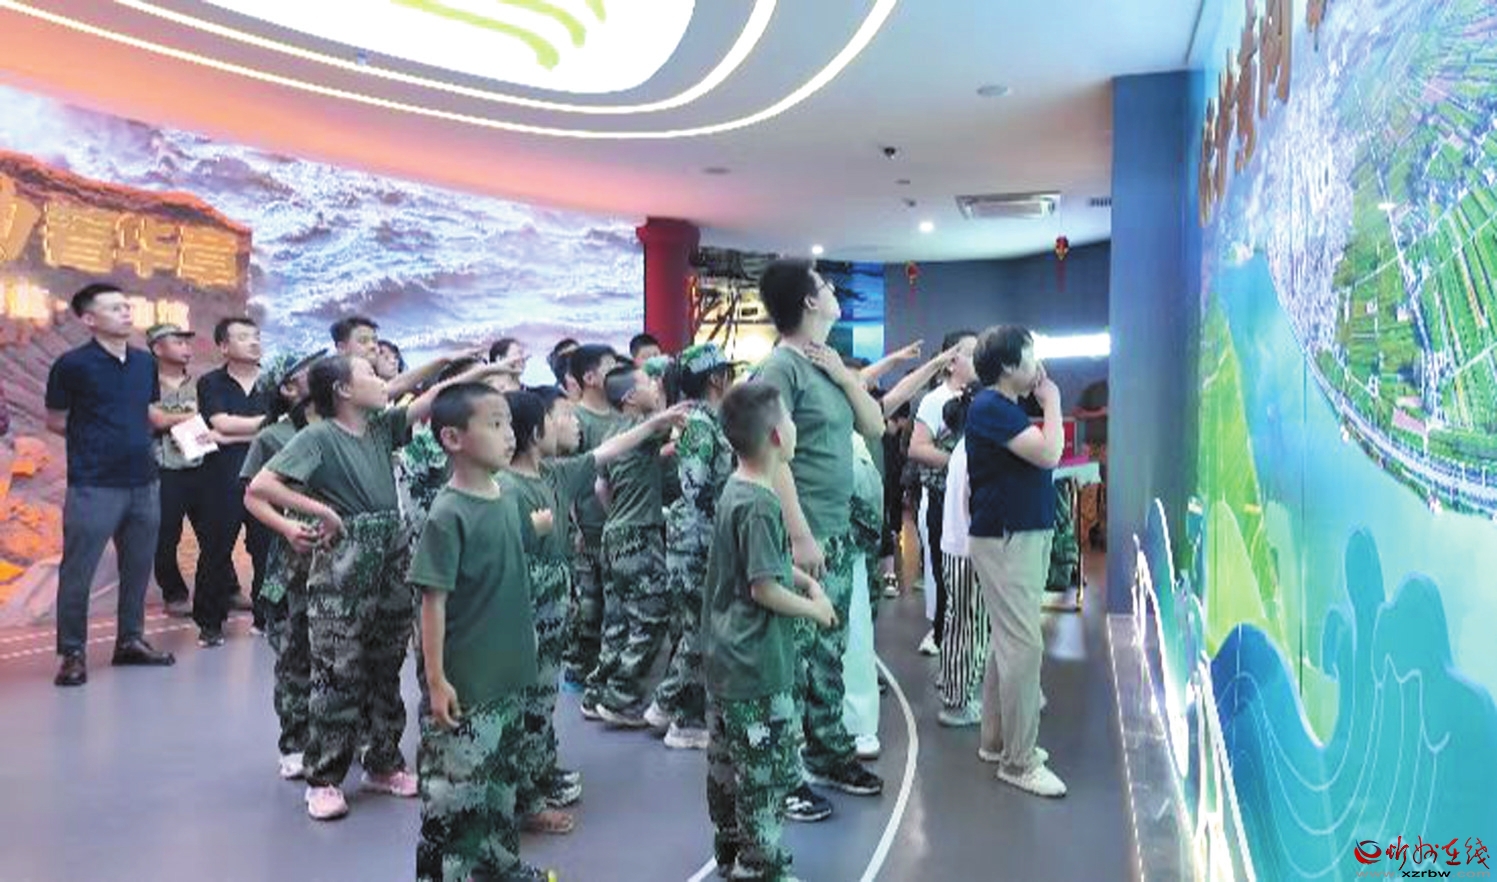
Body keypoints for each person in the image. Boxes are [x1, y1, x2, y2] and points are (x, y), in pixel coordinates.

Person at [248, 354, 495, 819]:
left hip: (391, 549)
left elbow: (431, 397)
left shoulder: (381, 427)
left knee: (385, 663)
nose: (382, 381)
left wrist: (465, 367)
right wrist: (315, 513)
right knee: (338, 669)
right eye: (369, 374)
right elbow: (261, 487)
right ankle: (324, 778)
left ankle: (382, 762)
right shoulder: (318, 437)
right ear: (342, 390)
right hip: (345, 556)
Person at [500, 387, 685, 832]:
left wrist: (655, 424)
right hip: (523, 617)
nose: (574, 424)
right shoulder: (506, 489)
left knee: (541, 702)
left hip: (552, 613)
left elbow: (607, 451)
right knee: (524, 704)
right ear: (535, 431)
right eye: (562, 417)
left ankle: (539, 774)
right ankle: (524, 799)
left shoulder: (555, 473)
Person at [754, 259, 885, 811]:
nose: (834, 291)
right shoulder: (780, 368)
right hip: (803, 535)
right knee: (794, 659)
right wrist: (800, 534)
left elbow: (876, 425)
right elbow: (769, 455)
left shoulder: (824, 365)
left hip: (835, 530)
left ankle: (828, 753)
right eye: (826, 286)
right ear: (809, 302)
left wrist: (845, 375)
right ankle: (782, 779)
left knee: (828, 651)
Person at [408, 383, 551, 882]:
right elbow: (433, 601)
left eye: (509, 423)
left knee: (499, 786)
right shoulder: (447, 513)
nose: (509, 434)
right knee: (455, 799)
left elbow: (505, 555)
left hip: (508, 675)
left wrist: (535, 528)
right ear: (452, 438)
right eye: (494, 424)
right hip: (468, 685)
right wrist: (436, 680)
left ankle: (498, 867)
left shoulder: (505, 495)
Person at [703, 380, 836, 881]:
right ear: (778, 436)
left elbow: (761, 565)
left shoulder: (738, 489)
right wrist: (815, 609)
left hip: (725, 659)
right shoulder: (760, 504)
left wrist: (802, 578)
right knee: (763, 774)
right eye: (791, 419)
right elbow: (763, 588)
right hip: (755, 664)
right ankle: (760, 867)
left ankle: (731, 852)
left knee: (726, 768)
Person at [45, 283, 176, 687]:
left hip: (144, 480)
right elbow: (56, 420)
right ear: (89, 319)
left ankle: (130, 641)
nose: (126, 312)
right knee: (78, 572)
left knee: (137, 568)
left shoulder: (144, 363)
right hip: (94, 483)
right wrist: (97, 441)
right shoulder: (71, 364)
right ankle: (72, 653)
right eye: (115, 308)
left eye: (127, 306)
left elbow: (148, 412)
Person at [966, 325, 1067, 798]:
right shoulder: (991, 406)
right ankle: (1019, 761)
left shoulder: (1001, 407)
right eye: (1029, 355)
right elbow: (1049, 453)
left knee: (1008, 643)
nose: (1036, 363)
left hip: (1015, 535)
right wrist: (1052, 400)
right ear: (1008, 366)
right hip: (1008, 538)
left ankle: (997, 741)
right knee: (1023, 647)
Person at [645, 343, 736, 751]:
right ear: (715, 378)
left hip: (699, 537)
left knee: (696, 629)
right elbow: (696, 487)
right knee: (700, 630)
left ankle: (682, 716)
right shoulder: (701, 424)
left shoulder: (708, 420)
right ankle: (670, 707)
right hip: (697, 541)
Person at [241, 349, 324, 781]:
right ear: (289, 387)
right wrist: (289, 527)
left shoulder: (342, 427)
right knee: (295, 654)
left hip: (342, 557)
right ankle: (295, 742)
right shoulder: (273, 437)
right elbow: (254, 497)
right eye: (309, 370)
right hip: (293, 562)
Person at [586, 363, 673, 726]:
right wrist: (665, 394)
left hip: (614, 533)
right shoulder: (646, 426)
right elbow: (671, 423)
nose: (654, 385)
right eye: (647, 382)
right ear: (631, 398)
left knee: (617, 621)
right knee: (653, 616)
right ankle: (622, 697)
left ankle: (598, 692)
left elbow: (600, 488)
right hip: (639, 534)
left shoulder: (612, 433)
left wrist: (618, 515)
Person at [195, 316, 271, 641]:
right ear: (224, 346)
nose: (253, 342)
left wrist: (228, 435)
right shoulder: (211, 382)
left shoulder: (274, 382)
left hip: (267, 477)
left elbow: (283, 426)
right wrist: (262, 427)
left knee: (267, 550)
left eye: (256, 336)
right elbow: (221, 423)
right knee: (216, 549)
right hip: (222, 477)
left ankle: (266, 618)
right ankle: (210, 623)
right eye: (243, 337)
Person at [907, 330, 979, 656]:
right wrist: (959, 464)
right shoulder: (934, 400)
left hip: (976, 503)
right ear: (950, 362)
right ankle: (940, 633)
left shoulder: (983, 398)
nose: (978, 359)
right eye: (971, 353)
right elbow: (917, 448)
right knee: (942, 571)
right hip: (941, 500)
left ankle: (969, 635)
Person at [560, 343, 620, 691]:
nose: (617, 372)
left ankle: (604, 674)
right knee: (588, 606)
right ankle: (578, 669)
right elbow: (566, 477)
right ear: (590, 377)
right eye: (610, 367)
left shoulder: (619, 414)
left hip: (616, 525)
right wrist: (575, 526)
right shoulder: (576, 420)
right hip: (587, 525)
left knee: (614, 607)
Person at [936, 390, 989, 728]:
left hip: (958, 547)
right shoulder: (975, 450)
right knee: (968, 628)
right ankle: (957, 701)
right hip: (968, 550)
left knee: (962, 623)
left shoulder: (963, 447)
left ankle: (955, 688)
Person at [146, 322, 205, 619]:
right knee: (166, 536)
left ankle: (227, 587)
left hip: (202, 465)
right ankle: (175, 593)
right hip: (163, 470)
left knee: (214, 533)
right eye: (178, 342)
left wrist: (169, 416)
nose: (186, 347)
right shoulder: (146, 384)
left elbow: (211, 418)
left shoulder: (201, 385)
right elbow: (154, 420)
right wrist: (192, 415)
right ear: (158, 348)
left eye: (187, 342)